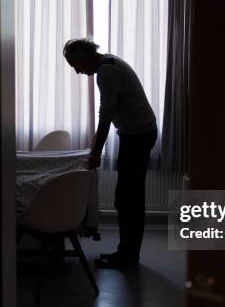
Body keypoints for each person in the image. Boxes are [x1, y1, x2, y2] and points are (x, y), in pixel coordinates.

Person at [63, 38, 157, 269]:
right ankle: (127, 253)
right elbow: (106, 117)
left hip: (137, 136)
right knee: (128, 198)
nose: (77, 71)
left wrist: (95, 153)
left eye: (75, 65)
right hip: (137, 134)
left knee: (128, 199)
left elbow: (105, 117)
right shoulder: (109, 64)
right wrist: (93, 148)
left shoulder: (106, 72)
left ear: (85, 56)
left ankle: (128, 257)